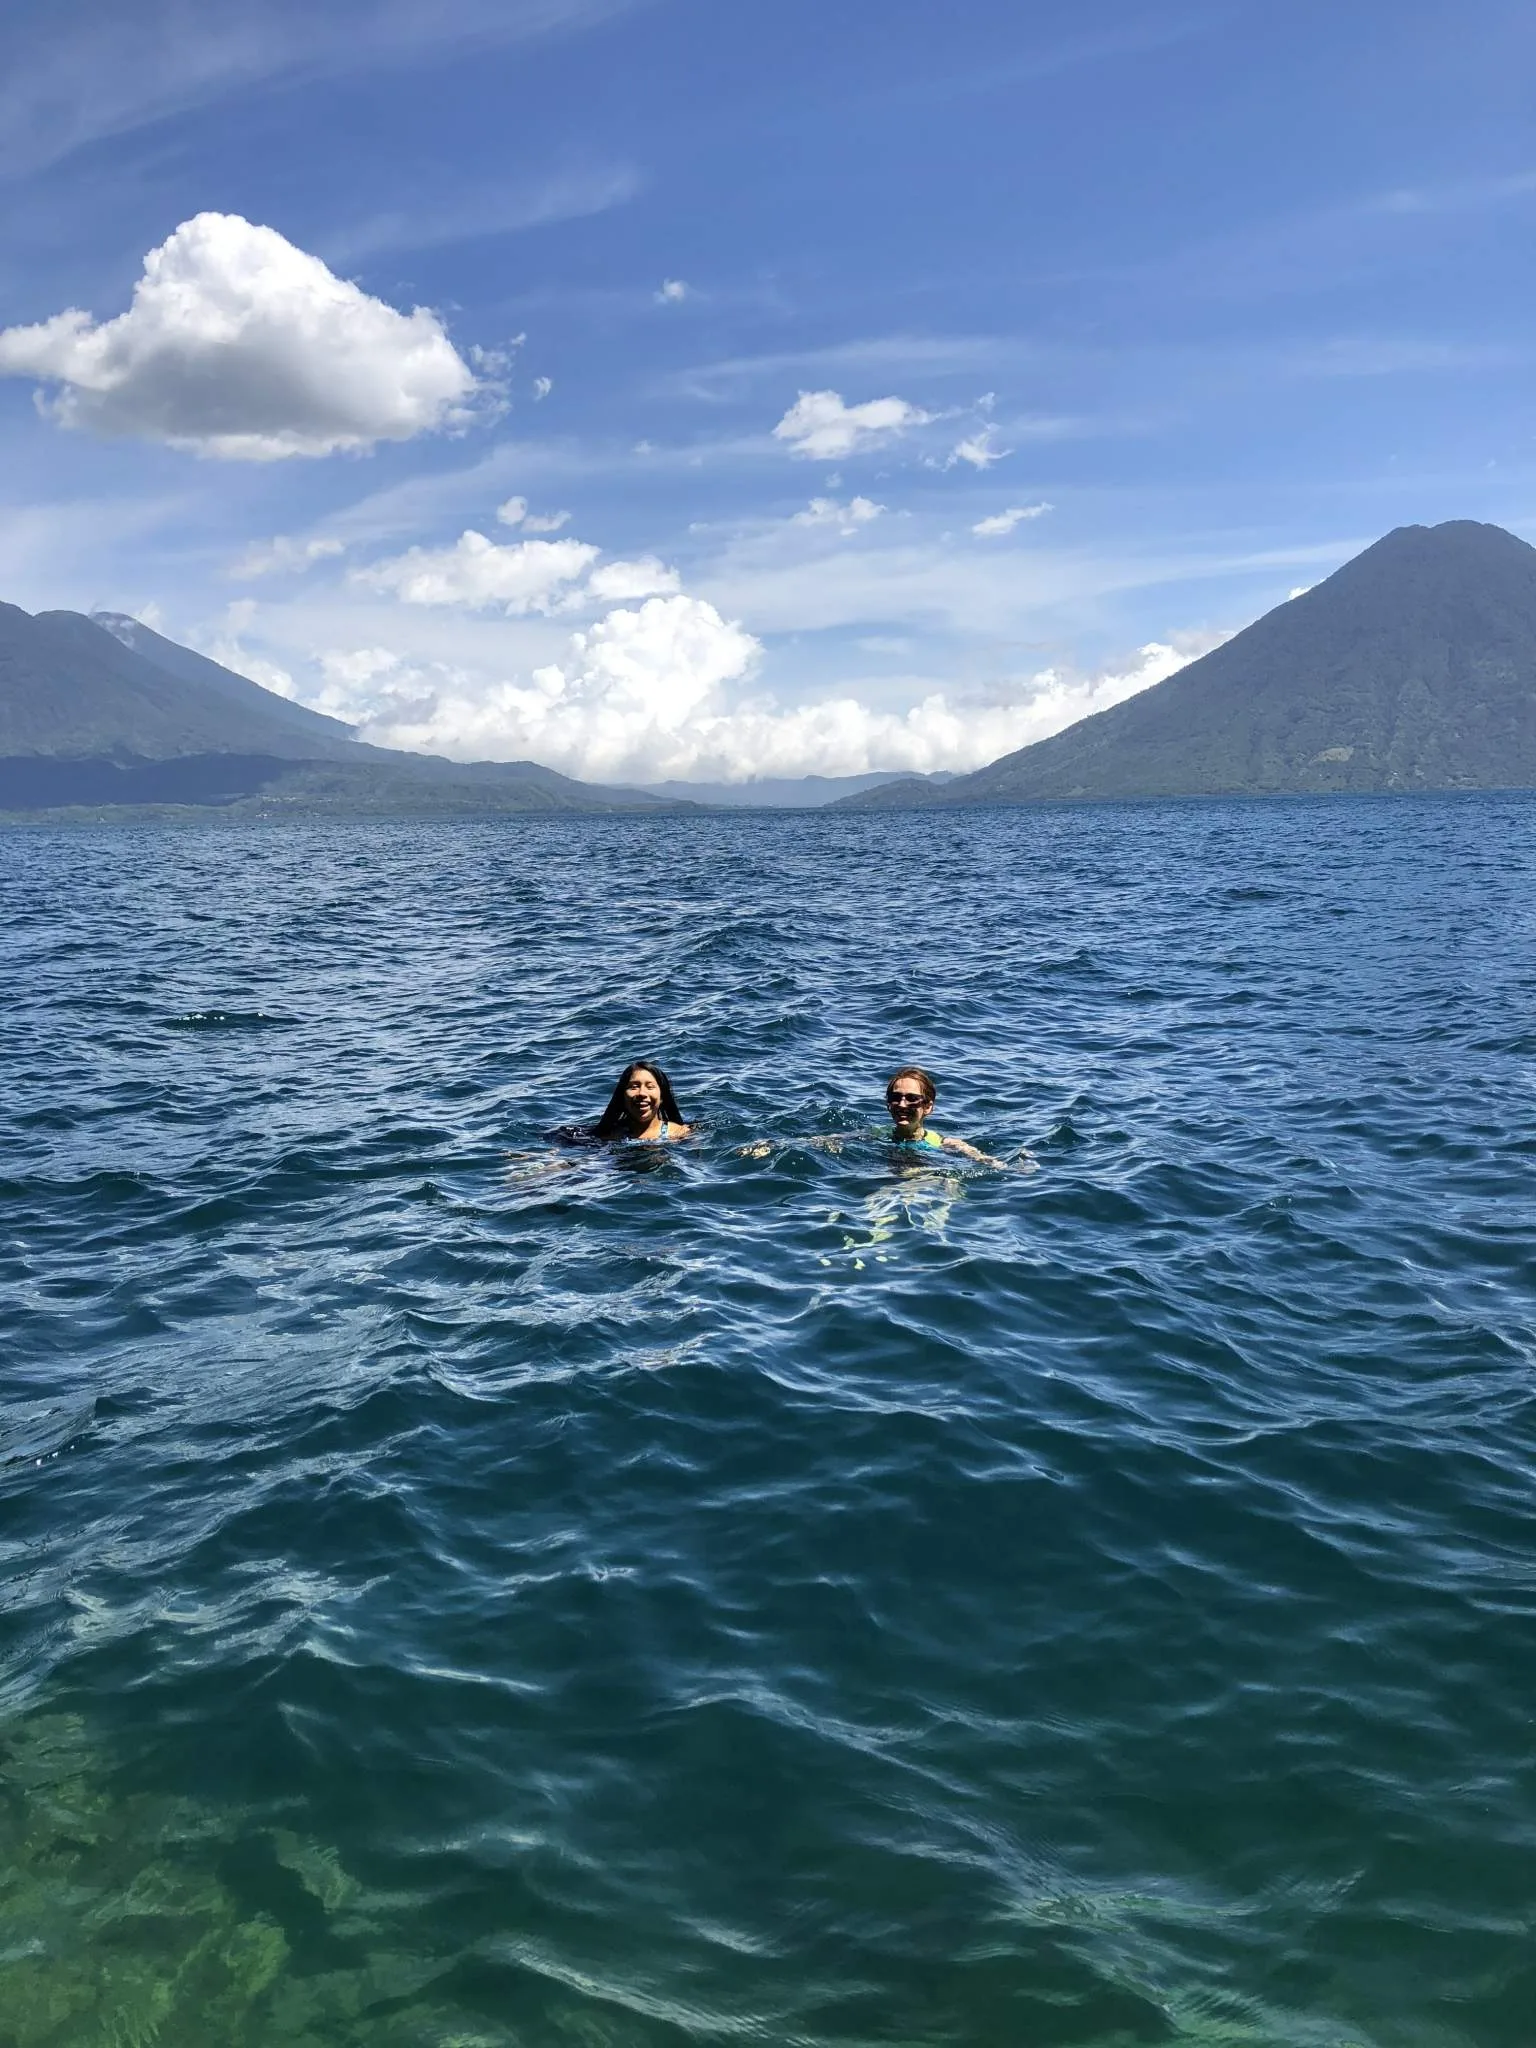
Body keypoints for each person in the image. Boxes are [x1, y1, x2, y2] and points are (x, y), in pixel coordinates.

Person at [883, 1066, 1006, 1165]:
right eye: (895, 1097)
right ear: (888, 1104)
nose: (902, 1105)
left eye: (912, 1098)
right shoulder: (878, 1135)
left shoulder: (942, 1143)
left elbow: (990, 1162)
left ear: (928, 1107)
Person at [591, 1061, 692, 1143]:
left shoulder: (680, 1134)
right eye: (634, 1087)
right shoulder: (609, 1137)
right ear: (622, 1097)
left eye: (650, 1087)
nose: (642, 1093)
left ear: (662, 1096)